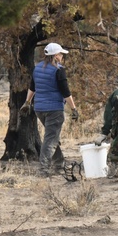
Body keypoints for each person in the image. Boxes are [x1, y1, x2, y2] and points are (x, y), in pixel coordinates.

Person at [21, 42, 79, 175]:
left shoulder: (38, 68)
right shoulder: (59, 70)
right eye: (61, 54)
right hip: (54, 109)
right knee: (50, 140)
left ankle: (59, 164)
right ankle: (43, 169)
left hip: (39, 109)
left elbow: (32, 87)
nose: (62, 56)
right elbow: (66, 92)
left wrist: (27, 102)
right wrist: (74, 109)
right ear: (56, 56)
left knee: (51, 136)